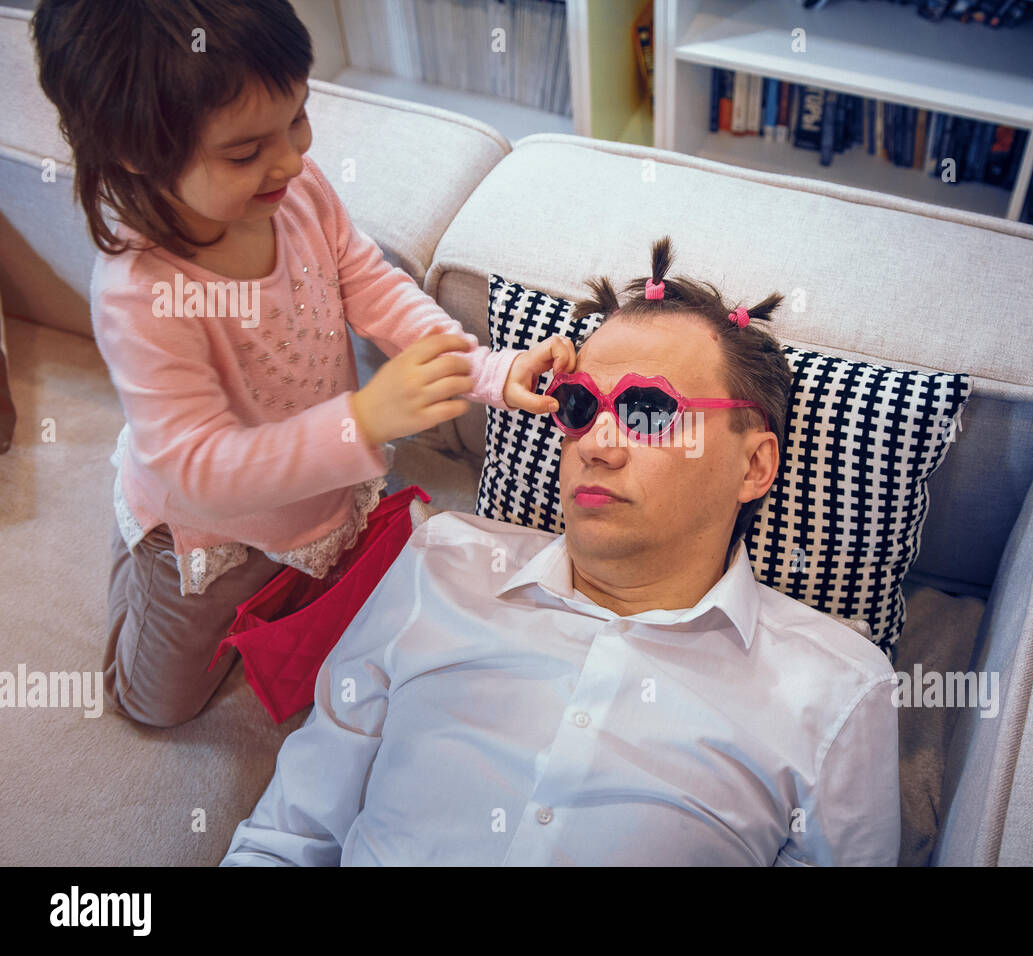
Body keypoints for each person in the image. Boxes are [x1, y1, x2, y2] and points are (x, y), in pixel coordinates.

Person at [222, 237, 901, 866]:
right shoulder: (441, 562)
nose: (599, 445)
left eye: (648, 413)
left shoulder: (836, 691)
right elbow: (291, 835)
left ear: (754, 465)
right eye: (578, 405)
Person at [29, 0, 569, 728]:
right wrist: (364, 420)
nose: (290, 158)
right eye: (246, 152)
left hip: (318, 496)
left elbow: (371, 283)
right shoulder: (141, 295)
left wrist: (487, 371)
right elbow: (199, 470)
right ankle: (134, 534)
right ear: (134, 156)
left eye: (299, 118)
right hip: (204, 529)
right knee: (158, 707)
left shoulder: (298, 191)